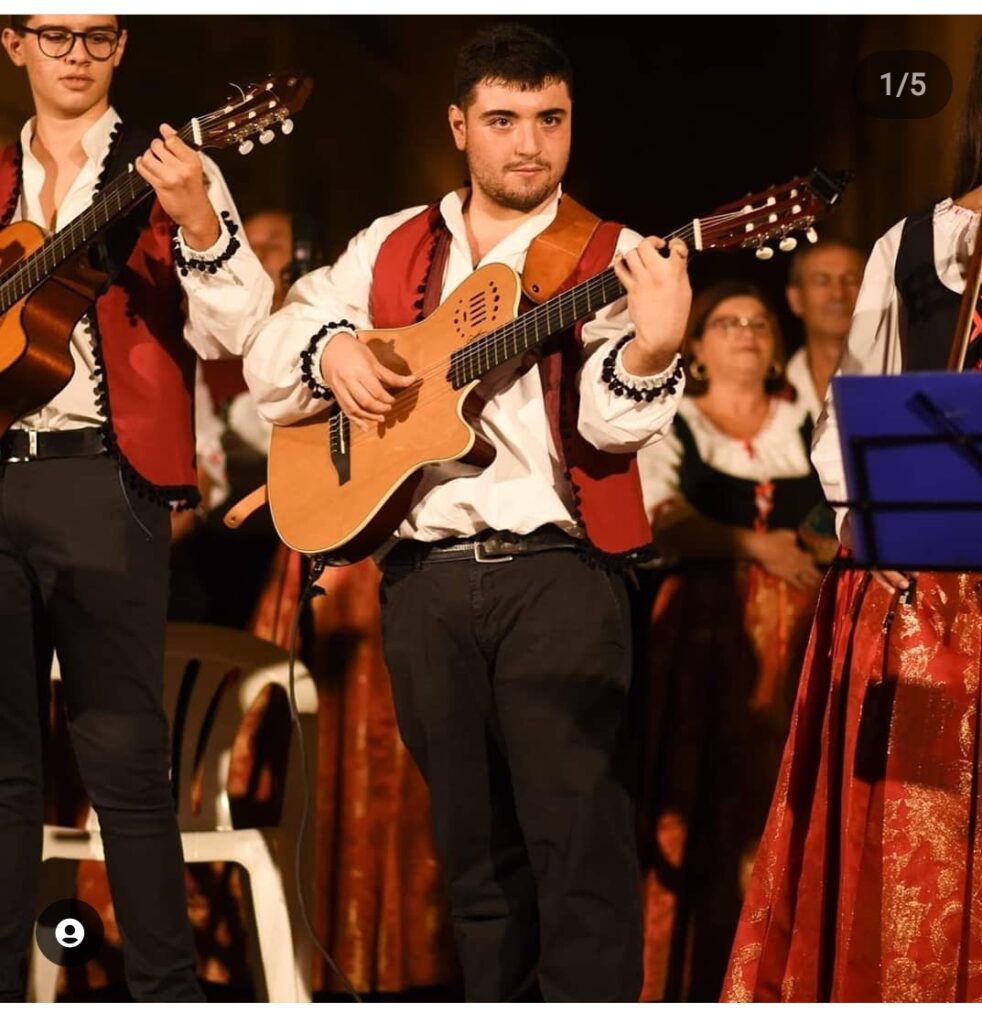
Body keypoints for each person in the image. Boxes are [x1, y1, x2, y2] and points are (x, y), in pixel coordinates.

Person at [244, 23, 692, 1001]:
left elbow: (611, 430)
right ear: (459, 126)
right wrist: (334, 350)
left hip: (559, 577)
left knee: (578, 849)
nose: (529, 143)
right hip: (424, 582)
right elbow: (274, 349)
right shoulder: (392, 242)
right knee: (475, 862)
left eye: (549, 119)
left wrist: (654, 350)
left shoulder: (612, 254)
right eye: (503, 120)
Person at [0, 14, 271, 1001]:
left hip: (105, 481)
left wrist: (197, 221)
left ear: (122, 47)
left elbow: (238, 328)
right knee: (3, 773)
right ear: (14, 44)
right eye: (55, 35)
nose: (77, 54)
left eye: (99, 36)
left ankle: (167, 1001)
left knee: (123, 759)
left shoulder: (168, 167)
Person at [723, 35, 982, 1004]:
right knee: (914, 864)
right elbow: (854, 415)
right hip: (930, 596)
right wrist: (870, 522)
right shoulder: (911, 247)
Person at [635, 282, 825, 1001]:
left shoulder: (809, 421)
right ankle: (697, 979)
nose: (746, 332)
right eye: (727, 322)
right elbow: (661, 517)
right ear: (695, 349)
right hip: (707, 640)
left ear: (776, 347)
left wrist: (813, 545)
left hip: (802, 637)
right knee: (705, 795)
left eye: (759, 322)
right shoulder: (674, 422)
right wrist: (756, 546)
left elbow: (844, 509)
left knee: (789, 791)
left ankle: (783, 978)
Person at [784, 239, 865, 420]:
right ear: (795, 298)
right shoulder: (775, 392)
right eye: (822, 281)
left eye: (851, 280)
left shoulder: (897, 375)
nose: (838, 294)